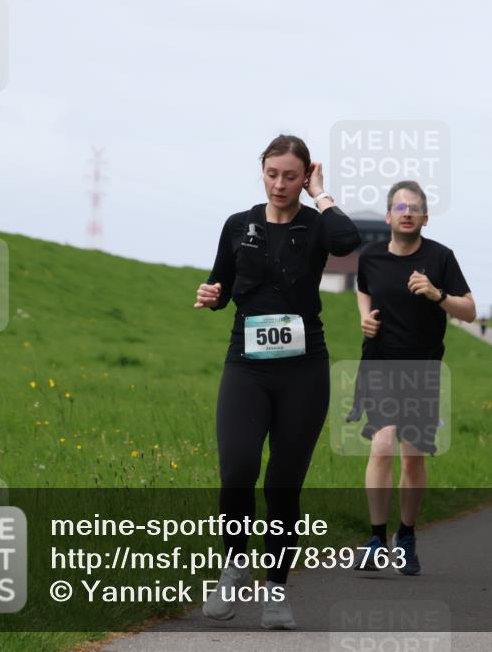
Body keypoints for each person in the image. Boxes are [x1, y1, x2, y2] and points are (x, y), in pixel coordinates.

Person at [195, 135, 361, 629]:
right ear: (261, 171)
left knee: (284, 486)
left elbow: (347, 243)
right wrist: (211, 293)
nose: (280, 184)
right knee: (238, 468)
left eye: (291, 176)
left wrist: (322, 195)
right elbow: (222, 286)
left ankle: (276, 591)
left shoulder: (316, 225)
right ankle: (234, 564)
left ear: (305, 174)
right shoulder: (237, 225)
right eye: (272, 174)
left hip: (304, 370)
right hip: (246, 365)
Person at [351, 180, 475, 576]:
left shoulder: (441, 258)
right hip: (380, 364)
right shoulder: (370, 257)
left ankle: (406, 533)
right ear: (389, 216)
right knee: (382, 444)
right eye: (400, 207)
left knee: (413, 456)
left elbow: (470, 310)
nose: (407, 212)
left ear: (425, 217)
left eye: (414, 207)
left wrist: (438, 295)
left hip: (422, 367)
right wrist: (364, 318)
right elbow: (363, 288)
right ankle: (375, 537)